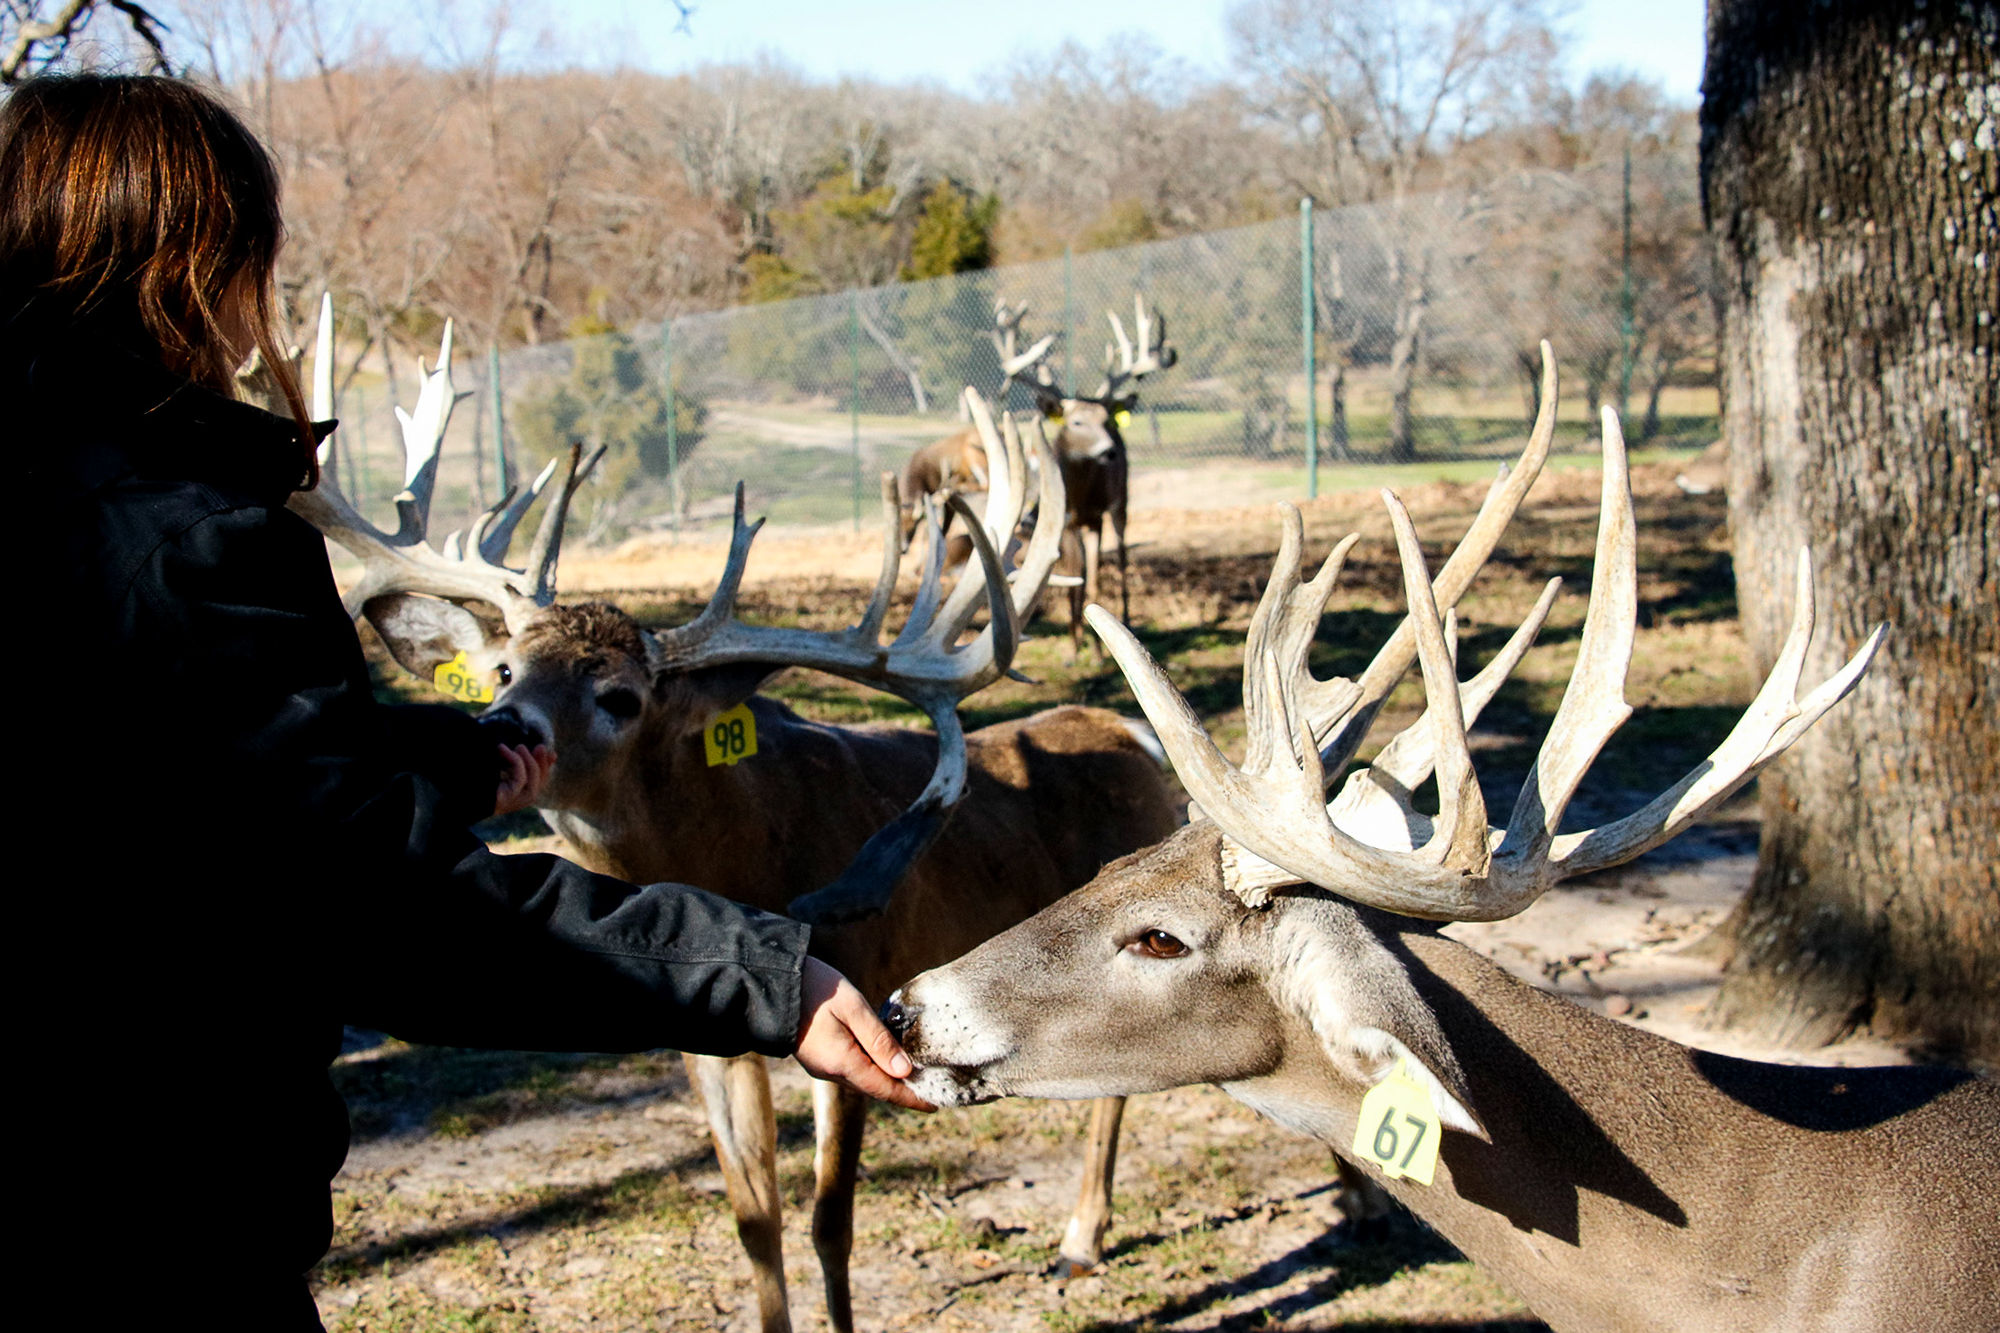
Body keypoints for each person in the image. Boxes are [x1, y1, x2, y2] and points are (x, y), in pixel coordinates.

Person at [2, 73, 927, 1329]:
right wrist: (759, 973)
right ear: (192, 269)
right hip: (148, 1221)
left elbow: (147, 782)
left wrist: (427, 761)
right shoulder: (181, 551)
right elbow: (374, 913)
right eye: (250, 266)